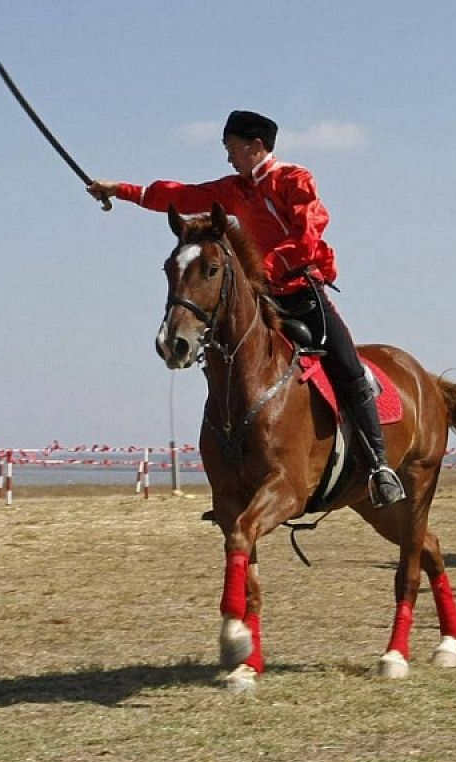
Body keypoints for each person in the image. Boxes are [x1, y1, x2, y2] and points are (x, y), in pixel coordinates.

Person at [87, 110, 404, 507]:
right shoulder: (233, 188)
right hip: (260, 298)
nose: (229, 158)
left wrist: (260, 269)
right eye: (227, 150)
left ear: (256, 147)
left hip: (302, 295)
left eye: (233, 149)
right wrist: (119, 190)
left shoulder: (295, 180)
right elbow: (179, 195)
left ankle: (379, 467)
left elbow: (306, 242)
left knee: (350, 369)